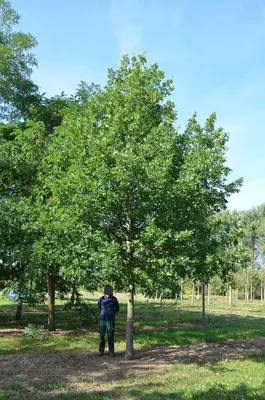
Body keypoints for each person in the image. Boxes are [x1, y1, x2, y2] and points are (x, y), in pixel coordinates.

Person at [97, 284, 119, 357]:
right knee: (102, 336)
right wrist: (103, 312)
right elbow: (98, 307)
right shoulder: (101, 299)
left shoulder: (114, 299)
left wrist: (111, 312)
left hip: (110, 320)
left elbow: (117, 308)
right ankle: (101, 351)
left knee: (110, 336)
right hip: (102, 320)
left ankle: (111, 351)